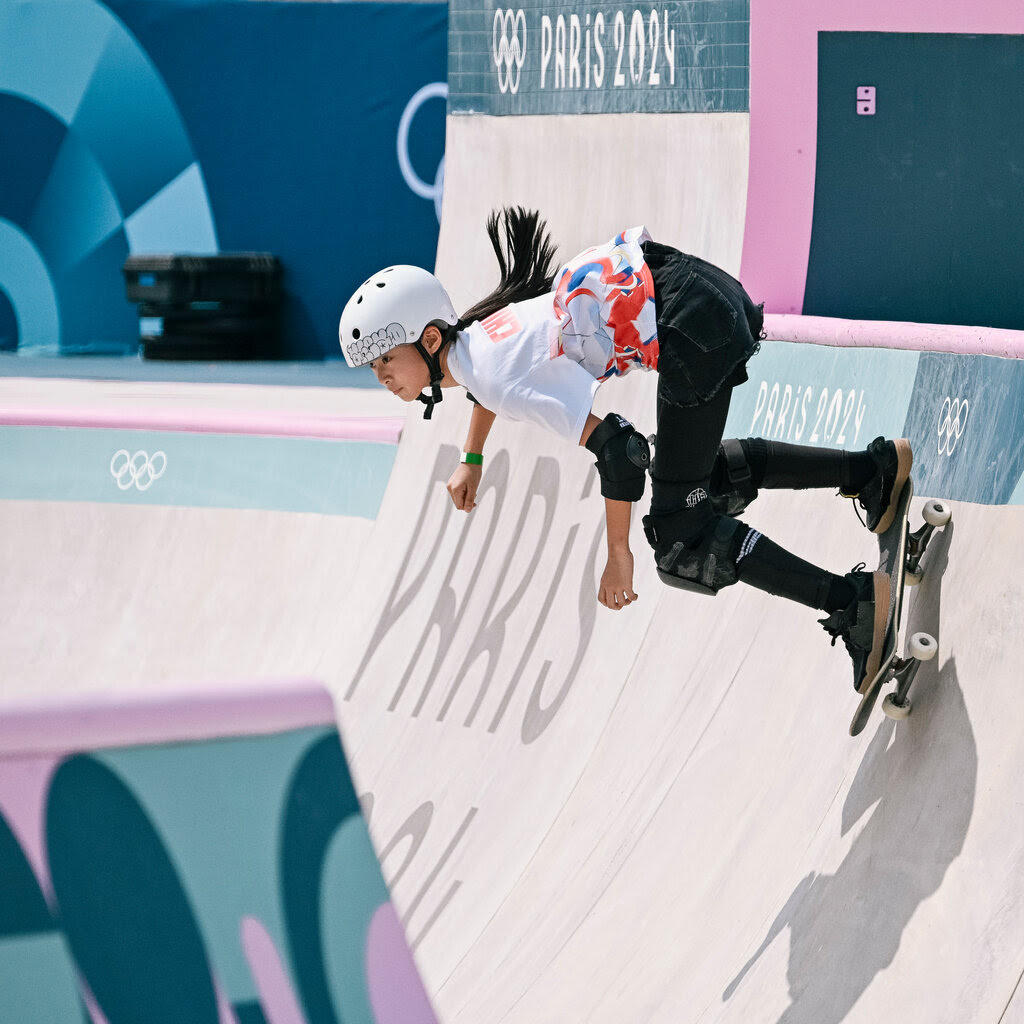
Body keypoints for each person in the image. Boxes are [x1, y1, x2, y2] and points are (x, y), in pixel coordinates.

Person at [338, 208, 912, 695]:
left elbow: (618, 451)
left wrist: (619, 553)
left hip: (692, 328)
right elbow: (488, 390)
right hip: (696, 291)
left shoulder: (489, 374)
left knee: (678, 536)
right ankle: (872, 471)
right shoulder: (476, 340)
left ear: (430, 340)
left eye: (386, 361)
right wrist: (471, 459)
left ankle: (854, 602)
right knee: (696, 475)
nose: (382, 377)